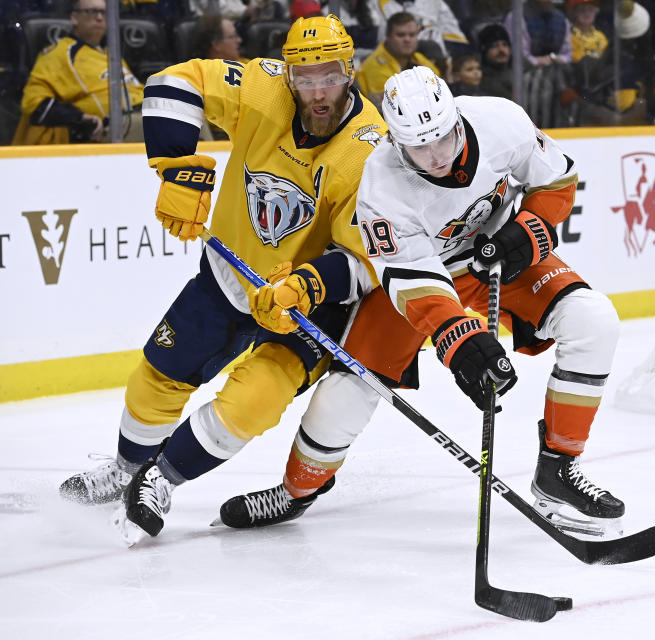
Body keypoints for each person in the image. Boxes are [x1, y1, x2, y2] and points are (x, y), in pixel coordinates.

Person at [219, 66, 625, 536]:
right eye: (417, 146)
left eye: (442, 140)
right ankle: (295, 492)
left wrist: (527, 232)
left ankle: (558, 470)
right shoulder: (381, 184)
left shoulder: (502, 122)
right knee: (344, 394)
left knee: (595, 321)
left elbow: (557, 181)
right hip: (424, 277)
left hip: (497, 259)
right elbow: (411, 279)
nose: (434, 157)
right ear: (394, 141)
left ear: (457, 119)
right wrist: (462, 343)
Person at [58, 15, 386, 541]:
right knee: (160, 370)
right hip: (229, 271)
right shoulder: (264, 86)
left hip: (304, 304)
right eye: (305, 79)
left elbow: (369, 258)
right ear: (289, 76)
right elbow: (173, 82)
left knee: (255, 398)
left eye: (330, 76)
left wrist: (306, 285)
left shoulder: (372, 149)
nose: (318, 93)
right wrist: (176, 166)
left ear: (351, 71)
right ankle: (124, 471)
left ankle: (160, 480)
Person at [12, 0, 145, 145]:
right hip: (114, 127)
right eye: (91, 12)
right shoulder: (60, 53)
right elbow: (34, 106)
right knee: (164, 125)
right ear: (74, 17)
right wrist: (79, 117)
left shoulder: (111, 53)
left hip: (142, 113)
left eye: (104, 12)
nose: (99, 17)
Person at [356, 11, 440, 108]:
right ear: (388, 37)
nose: (407, 40)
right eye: (401, 35)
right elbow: (393, 107)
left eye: (412, 35)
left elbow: (438, 85)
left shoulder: (417, 58)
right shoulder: (374, 66)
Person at [478, 22, 514, 100]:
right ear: (484, 51)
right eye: (494, 46)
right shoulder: (478, 79)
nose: (501, 50)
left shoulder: (520, 74)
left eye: (504, 44)